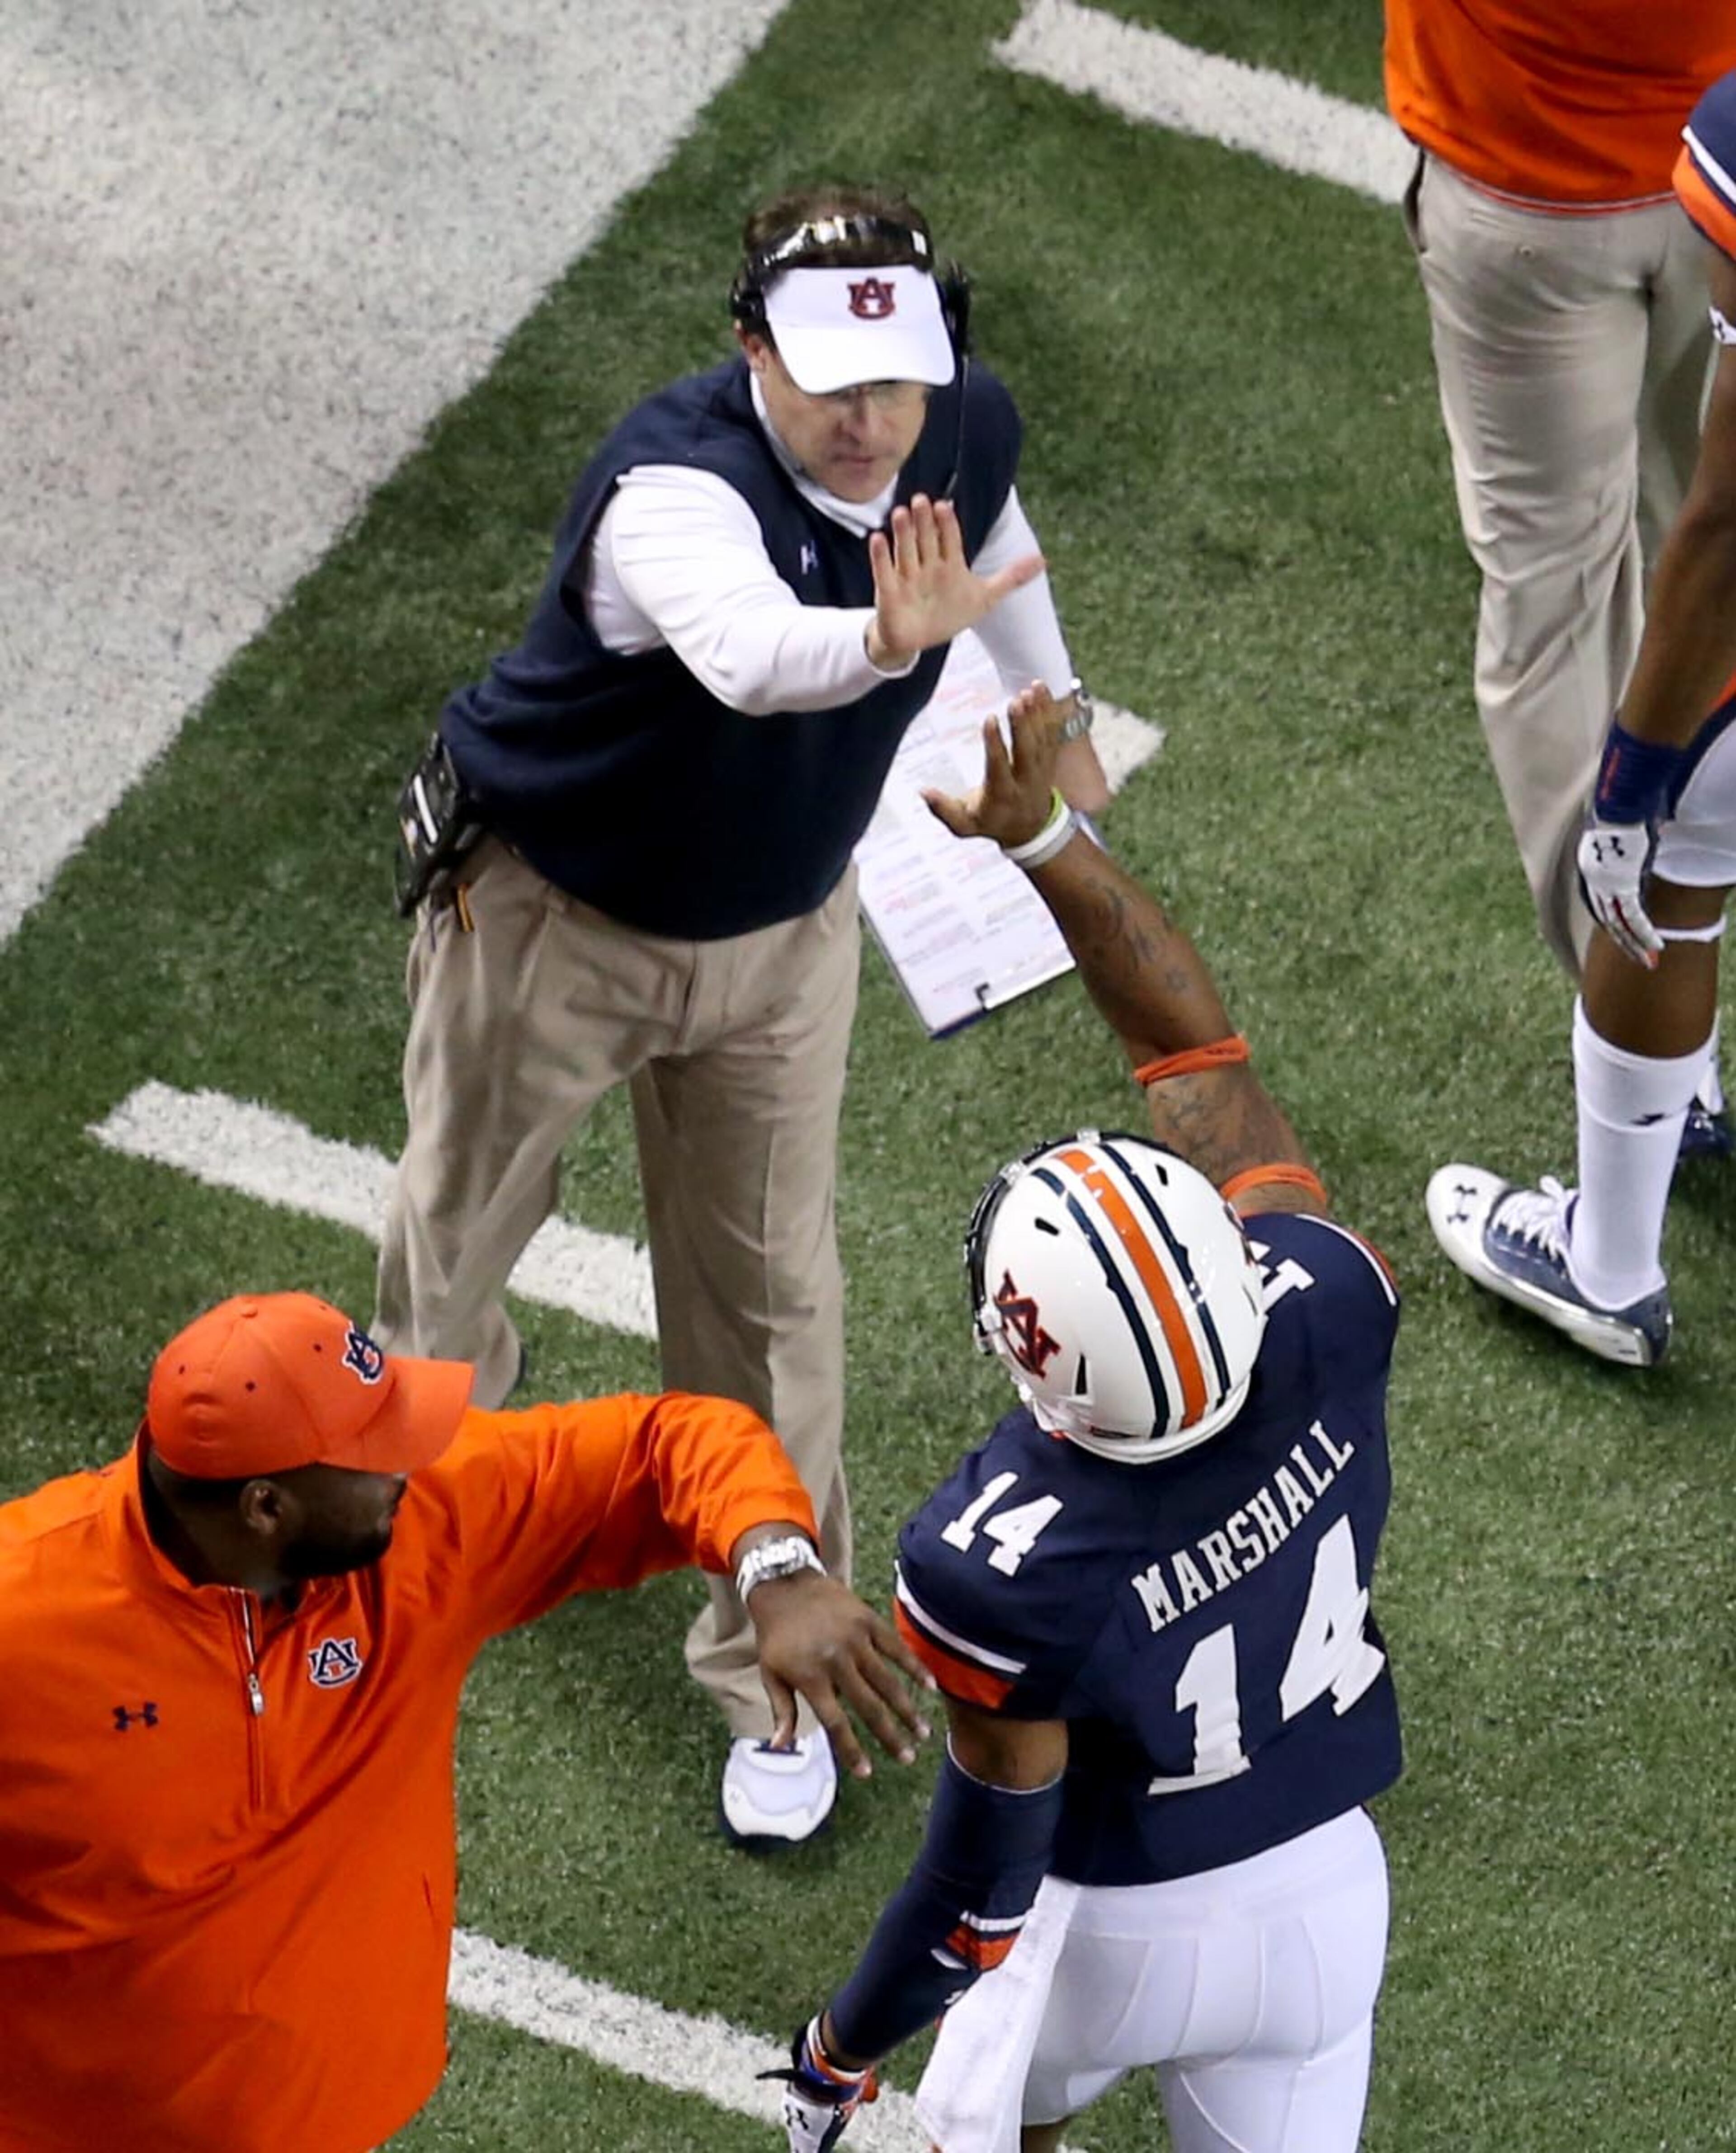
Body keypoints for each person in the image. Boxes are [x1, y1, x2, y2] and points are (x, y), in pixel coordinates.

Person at [373, 182, 1107, 1847]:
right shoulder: (667, 492)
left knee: (771, 1298)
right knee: (450, 1247)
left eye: (899, 382)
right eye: (830, 381)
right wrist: (882, 640)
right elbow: (752, 654)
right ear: (747, 349)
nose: (872, 425)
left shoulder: (954, 419)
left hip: (782, 927)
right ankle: (418, 1504)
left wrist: (1043, 709)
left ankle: (772, 1671)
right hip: (553, 920)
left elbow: (991, 532)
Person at [769, 685, 1403, 2153]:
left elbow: (979, 1895)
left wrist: (836, 2047)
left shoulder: (998, 1557)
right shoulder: (1324, 1302)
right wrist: (1051, 837)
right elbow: (1203, 1059)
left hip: (1108, 1937)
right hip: (1319, 1898)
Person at [0, 1290, 933, 2153]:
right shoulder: (24, 1620)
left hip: (340, 2105)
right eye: (372, 1455)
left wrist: (775, 1567)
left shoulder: (427, 1521)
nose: (409, 1462)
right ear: (265, 1507)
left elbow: (666, 1443)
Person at [1386, 1, 1736, 1148]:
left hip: (1520, 176)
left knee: (1551, 612)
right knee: (1722, 552)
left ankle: (1645, 1041)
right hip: (1723, 168)